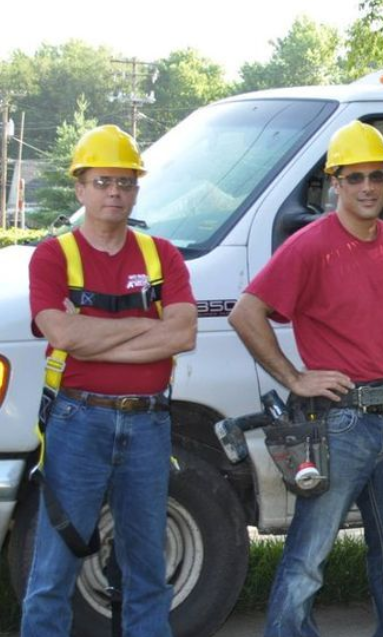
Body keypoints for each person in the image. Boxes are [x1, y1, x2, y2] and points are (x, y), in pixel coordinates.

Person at [228, 120, 383, 637]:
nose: (367, 187)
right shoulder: (310, 245)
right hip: (339, 426)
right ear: (335, 183)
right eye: (354, 177)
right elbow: (246, 314)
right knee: (309, 556)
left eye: (376, 176)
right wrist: (295, 378)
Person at [23, 125, 198, 636]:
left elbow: (183, 333)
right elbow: (61, 333)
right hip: (79, 421)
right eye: (102, 182)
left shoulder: (160, 255)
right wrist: (147, 325)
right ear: (80, 188)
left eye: (125, 182)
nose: (114, 192)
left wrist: (92, 332)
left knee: (147, 569)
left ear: (136, 189)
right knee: (53, 570)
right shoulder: (54, 256)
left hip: (147, 423)